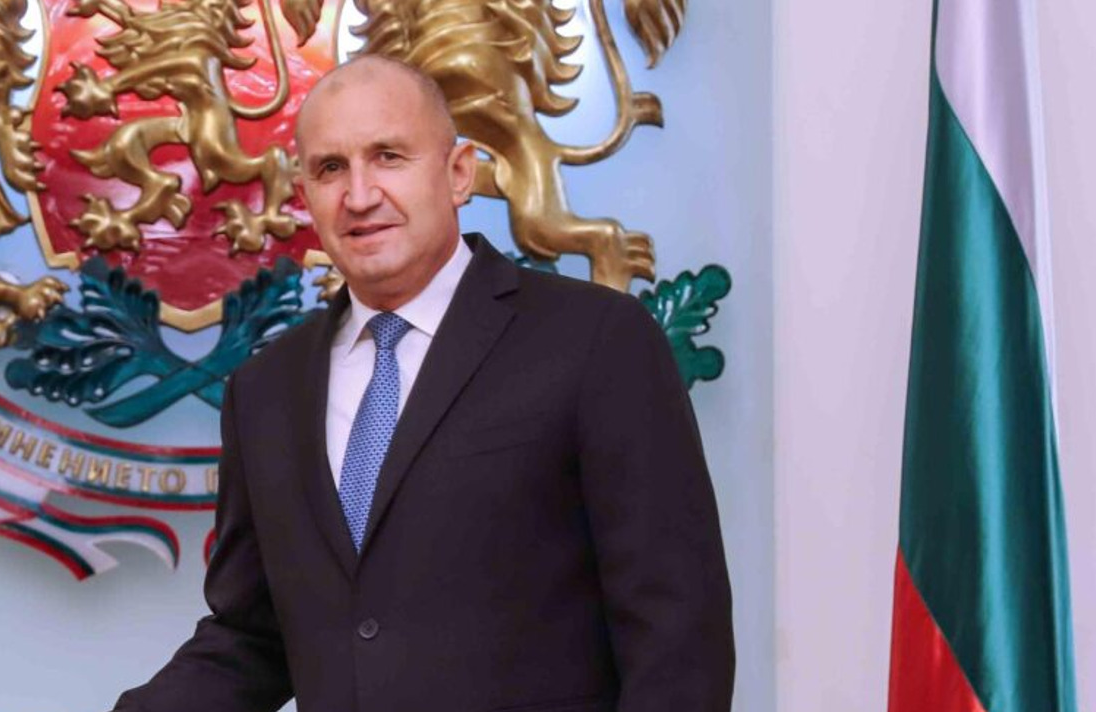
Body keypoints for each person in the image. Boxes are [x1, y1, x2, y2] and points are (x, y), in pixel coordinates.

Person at [111, 55, 734, 712]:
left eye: (388, 157)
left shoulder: (596, 340)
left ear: (459, 173)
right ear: (304, 194)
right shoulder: (265, 391)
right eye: (330, 168)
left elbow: (676, 634)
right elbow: (253, 633)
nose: (359, 195)